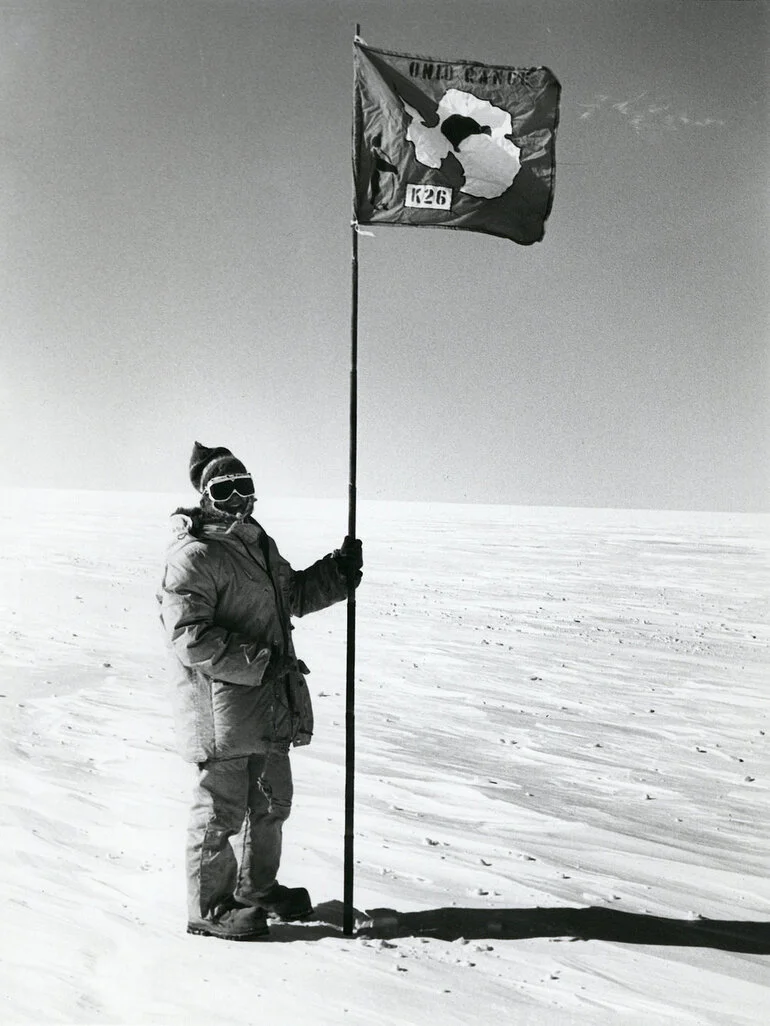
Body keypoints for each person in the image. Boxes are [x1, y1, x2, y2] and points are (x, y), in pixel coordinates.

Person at [158, 441, 363, 941]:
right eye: (224, 491)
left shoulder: (258, 545)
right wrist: (261, 662)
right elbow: (189, 635)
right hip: (222, 705)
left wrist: (335, 573)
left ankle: (255, 889)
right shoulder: (194, 555)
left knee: (272, 803)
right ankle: (209, 907)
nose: (237, 500)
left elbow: (290, 595)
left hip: (269, 701)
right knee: (221, 810)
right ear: (206, 498)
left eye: (244, 487)